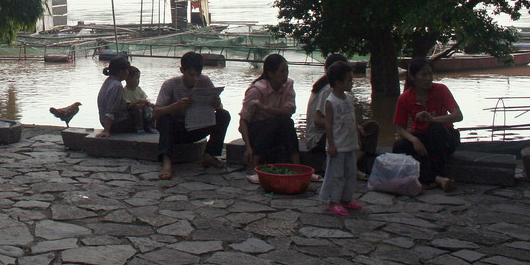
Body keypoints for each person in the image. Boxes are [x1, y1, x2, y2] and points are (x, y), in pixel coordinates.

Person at [154, 51, 231, 180]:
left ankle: (209, 154)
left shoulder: (204, 81)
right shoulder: (170, 85)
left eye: (198, 75)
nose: (195, 79)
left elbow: (219, 108)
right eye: (191, 75)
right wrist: (176, 106)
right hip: (176, 130)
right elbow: (156, 113)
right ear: (182, 70)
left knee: (224, 115)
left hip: (197, 127)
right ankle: (166, 161)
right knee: (165, 118)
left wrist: (217, 104)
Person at [392, 58, 462, 192]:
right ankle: (437, 179)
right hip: (422, 138)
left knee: (435, 129)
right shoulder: (405, 98)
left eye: (430, 74)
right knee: (399, 146)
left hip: (445, 137)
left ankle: (434, 175)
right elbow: (399, 128)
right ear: (412, 77)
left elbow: (458, 116)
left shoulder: (441, 89)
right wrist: (414, 140)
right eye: (423, 75)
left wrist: (433, 119)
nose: (428, 78)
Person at [306, 54, 379, 179]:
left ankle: (350, 164)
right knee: (361, 132)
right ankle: (350, 166)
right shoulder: (328, 91)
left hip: (331, 131)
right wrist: (346, 124)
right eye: (349, 79)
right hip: (319, 137)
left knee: (371, 126)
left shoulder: (337, 92)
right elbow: (318, 120)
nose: (352, 81)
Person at [239, 53, 302, 184]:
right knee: (273, 122)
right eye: (282, 71)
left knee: (286, 122)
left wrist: (266, 108)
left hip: (277, 128)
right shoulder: (256, 90)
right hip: (257, 131)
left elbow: (290, 110)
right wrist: (248, 147)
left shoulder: (288, 85)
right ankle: (253, 166)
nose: (285, 74)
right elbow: (244, 120)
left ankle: (298, 166)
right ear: (271, 74)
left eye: (287, 70)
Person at [318, 61, 363, 215]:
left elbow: (352, 119)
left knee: (350, 172)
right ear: (338, 83)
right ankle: (334, 200)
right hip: (338, 144)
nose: (351, 83)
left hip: (350, 143)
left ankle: (346, 198)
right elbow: (329, 124)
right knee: (337, 174)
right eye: (349, 80)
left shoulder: (349, 99)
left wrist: (357, 136)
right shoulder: (331, 101)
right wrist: (331, 144)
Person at [96, 56, 134, 137]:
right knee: (144, 112)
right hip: (115, 125)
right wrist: (106, 131)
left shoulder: (108, 81)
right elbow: (111, 111)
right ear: (121, 72)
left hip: (103, 121)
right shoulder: (117, 86)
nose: (128, 73)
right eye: (127, 70)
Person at [123, 66, 157, 133]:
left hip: (142, 108)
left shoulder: (139, 89)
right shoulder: (124, 91)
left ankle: (150, 126)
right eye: (136, 78)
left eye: (139, 78)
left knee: (153, 106)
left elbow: (145, 99)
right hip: (131, 112)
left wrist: (148, 103)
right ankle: (139, 128)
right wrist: (139, 101)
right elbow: (128, 106)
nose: (138, 81)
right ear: (128, 78)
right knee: (137, 107)